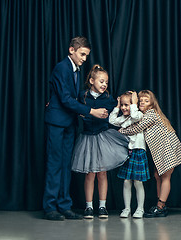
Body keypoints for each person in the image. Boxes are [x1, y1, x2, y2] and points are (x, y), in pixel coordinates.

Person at [43, 36, 108, 221]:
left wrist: (81, 111)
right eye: (82, 54)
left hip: (69, 122)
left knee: (65, 165)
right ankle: (50, 207)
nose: (85, 59)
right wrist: (91, 111)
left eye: (87, 55)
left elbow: (72, 99)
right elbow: (64, 99)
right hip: (56, 122)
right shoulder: (61, 68)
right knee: (55, 164)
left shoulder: (76, 70)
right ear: (71, 50)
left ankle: (64, 206)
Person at [71, 64, 129, 219]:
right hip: (87, 138)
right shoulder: (83, 96)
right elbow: (72, 107)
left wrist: (119, 106)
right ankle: (89, 207)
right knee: (90, 173)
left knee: (102, 173)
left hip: (103, 138)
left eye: (106, 82)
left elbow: (115, 115)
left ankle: (102, 206)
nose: (104, 85)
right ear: (91, 81)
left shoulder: (108, 99)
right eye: (101, 81)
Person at [119, 90, 181, 218]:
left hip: (167, 148)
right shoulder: (143, 114)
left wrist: (121, 131)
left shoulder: (151, 114)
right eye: (141, 101)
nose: (142, 103)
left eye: (146, 100)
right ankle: (159, 204)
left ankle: (161, 206)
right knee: (157, 175)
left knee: (165, 177)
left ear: (152, 103)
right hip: (160, 150)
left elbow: (137, 128)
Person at [109, 91, 150, 219]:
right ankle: (127, 208)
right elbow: (112, 120)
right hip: (128, 153)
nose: (124, 108)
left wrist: (134, 103)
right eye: (122, 105)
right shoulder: (123, 118)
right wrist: (116, 106)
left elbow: (135, 116)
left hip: (138, 151)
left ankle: (140, 209)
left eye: (126, 105)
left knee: (138, 182)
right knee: (127, 181)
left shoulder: (138, 114)